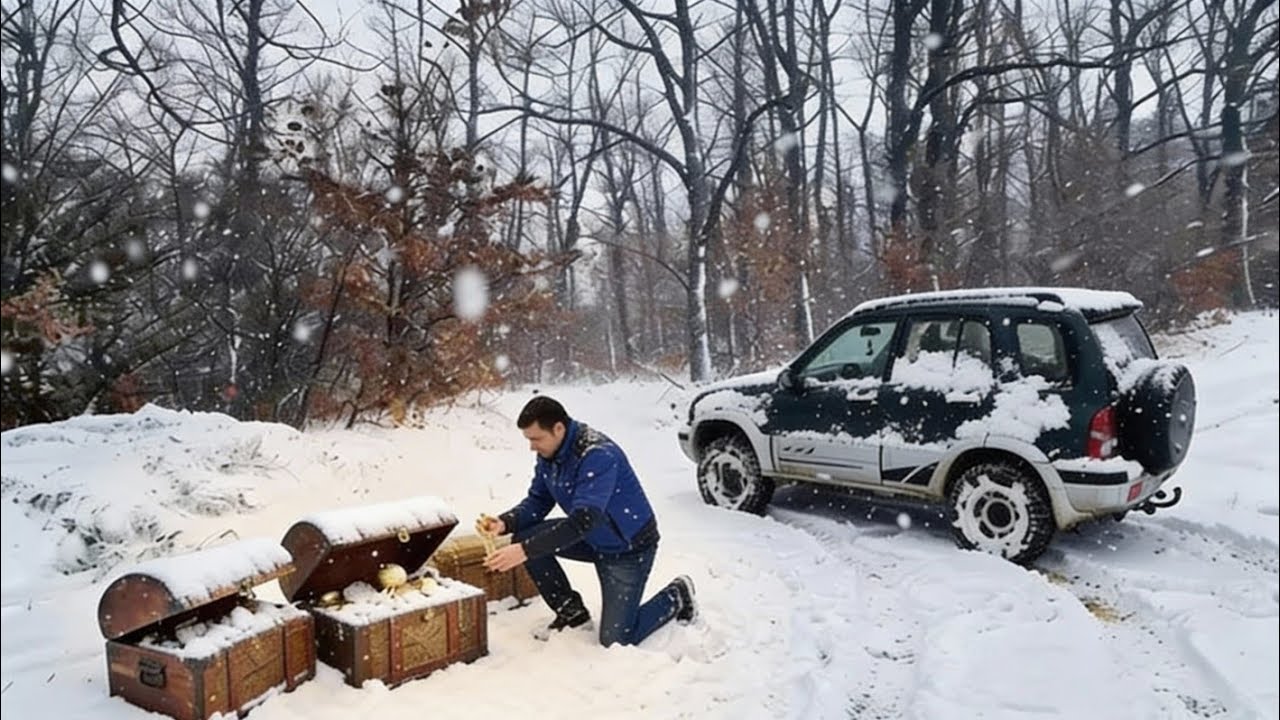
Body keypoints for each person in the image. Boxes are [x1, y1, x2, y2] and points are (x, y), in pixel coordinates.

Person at [481, 395, 697, 646]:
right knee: (524, 537)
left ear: (558, 428)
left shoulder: (598, 455)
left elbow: (584, 520)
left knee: (616, 639)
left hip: (627, 548)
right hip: (591, 538)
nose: (532, 446)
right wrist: (505, 523)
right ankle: (572, 613)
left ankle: (678, 595)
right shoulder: (550, 455)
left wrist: (524, 551)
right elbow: (538, 500)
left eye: (536, 439)